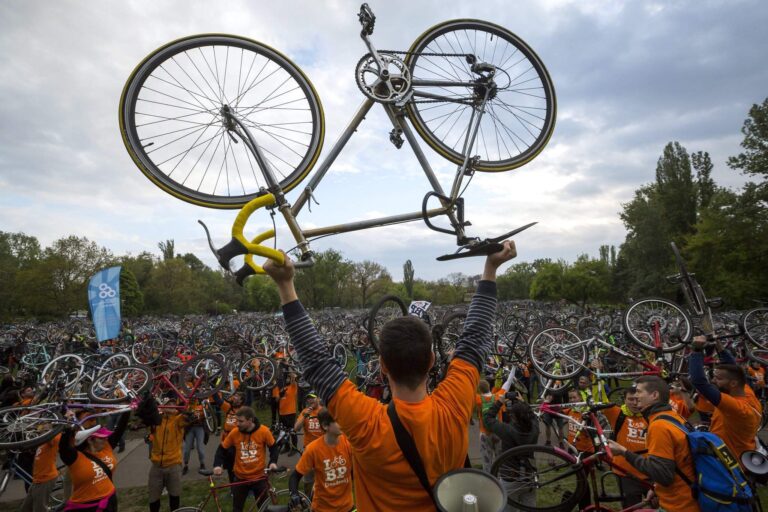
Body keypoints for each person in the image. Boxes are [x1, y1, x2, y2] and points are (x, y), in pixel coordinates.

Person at [263, 240, 516, 510]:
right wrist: (491, 268)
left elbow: (317, 364)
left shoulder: (367, 424)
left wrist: (285, 284)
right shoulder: (453, 406)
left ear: (382, 365)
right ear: (431, 360)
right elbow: (475, 339)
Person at [607, 376, 698, 512]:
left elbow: (663, 475)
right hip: (690, 497)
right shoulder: (673, 416)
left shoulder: (659, 426)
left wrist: (623, 452)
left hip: (678, 505)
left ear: (654, 395)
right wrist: (656, 487)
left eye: (639, 392)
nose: (635, 396)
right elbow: (675, 463)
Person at [689, 336, 762, 463]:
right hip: (736, 455)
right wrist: (718, 346)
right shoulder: (745, 390)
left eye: (718, 378)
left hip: (729, 464)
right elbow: (733, 366)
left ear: (733, 383)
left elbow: (699, 382)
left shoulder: (736, 407)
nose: (713, 380)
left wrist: (696, 351)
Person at [58, 409, 131, 512]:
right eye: (101, 438)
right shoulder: (75, 457)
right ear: (90, 440)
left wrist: (127, 409)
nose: (106, 439)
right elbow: (63, 447)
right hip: (86, 506)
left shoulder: (106, 447)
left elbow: (120, 428)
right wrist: (67, 425)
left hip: (110, 500)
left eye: (106, 437)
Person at [213, 406, 280, 512]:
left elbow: (274, 448)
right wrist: (217, 465)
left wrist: (273, 462)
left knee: (264, 509)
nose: (237, 424)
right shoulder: (235, 432)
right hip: (240, 478)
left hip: (259, 477)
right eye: (237, 420)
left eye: (241, 421)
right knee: (237, 509)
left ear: (250, 420)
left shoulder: (264, 431)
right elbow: (222, 449)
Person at [289, 408, 354, 512]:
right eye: (337, 420)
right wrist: (294, 496)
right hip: (322, 508)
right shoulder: (313, 449)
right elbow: (294, 477)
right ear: (325, 426)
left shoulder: (348, 443)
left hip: (347, 507)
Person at [482, 391, 539, 509]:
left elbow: (487, 419)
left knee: (507, 507)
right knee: (530, 508)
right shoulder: (535, 429)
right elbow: (534, 417)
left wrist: (499, 402)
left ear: (513, 417)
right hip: (529, 475)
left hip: (510, 477)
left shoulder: (507, 430)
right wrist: (524, 403)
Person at [602, 387, 649, 508]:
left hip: (650, 472)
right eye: (630, 399)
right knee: (631, 507)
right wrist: (596, 379)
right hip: (626, 473)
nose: (634, 403)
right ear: (624, 400)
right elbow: (601, 400)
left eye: (637, 399)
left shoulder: (651, 415)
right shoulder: (617, 414)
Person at [142, 398, 185, 512]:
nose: (171, 405)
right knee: (153, 497)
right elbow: (145, 420)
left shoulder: (178, 419)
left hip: (174, 465)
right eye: (168, 404)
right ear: (163, 406)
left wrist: (189, 403)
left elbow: (188, 414)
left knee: (174, 494)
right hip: (156, 466)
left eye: (173, 403)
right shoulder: (157, 420)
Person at [20, 432, 62, 512]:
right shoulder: (44, 438)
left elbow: (52, 438)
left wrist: (45, 430)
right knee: (25, 508)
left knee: (39, 509)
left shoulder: (55, 435)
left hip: (45, 479)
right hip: (37, 479)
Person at [294, 393, 323, 496]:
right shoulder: (304, 412)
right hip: (308, 449)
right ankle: (308, 498)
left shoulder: (324, 412)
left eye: (312, 398)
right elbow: (296, 428)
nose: (310, 401)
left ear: (318, 399)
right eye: (308, 399)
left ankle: (322, 496)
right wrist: (304, 416)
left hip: (322, 449)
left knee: (322, 474)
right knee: (308, 477)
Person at [182, 401, 207, 475]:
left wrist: (201, 415)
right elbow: (183, 415)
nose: (193, 398)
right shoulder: (187, 405)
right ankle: (186, 465)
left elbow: (207, 415)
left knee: (200, 447)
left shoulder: (202, 405)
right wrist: (188, 416)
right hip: (189, 428)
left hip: (199, 427)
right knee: (187, 449)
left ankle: (202, 463)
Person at [278, 372, 299, 452]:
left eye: (288, 378)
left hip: (290, 413)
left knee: (292, 431)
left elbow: (294, 379)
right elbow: (277, 400)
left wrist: (290, 372)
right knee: (284, 432)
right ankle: (287, 447)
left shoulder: (293, 387)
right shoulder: (282, 388)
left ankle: (294, 448)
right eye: (286, 378)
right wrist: (280, 395)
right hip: (282, 413)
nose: (287, 379)